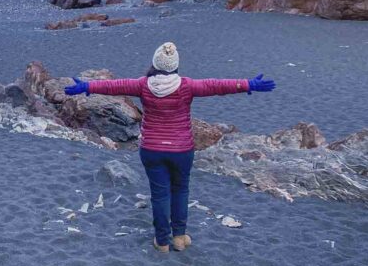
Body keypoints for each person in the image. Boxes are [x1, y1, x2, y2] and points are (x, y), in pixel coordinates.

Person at [64, 42, 275, 253]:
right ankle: (180, 238)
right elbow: (216, 86)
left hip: (152, 150)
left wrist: (86, 87)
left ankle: (162, 241)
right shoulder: (187, 85)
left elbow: (113, 86)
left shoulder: (142, 85)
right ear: (176, 65)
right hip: (182, 150)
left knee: (160, 195)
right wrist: (248, 84)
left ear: (155, 63)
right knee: (181, 190)